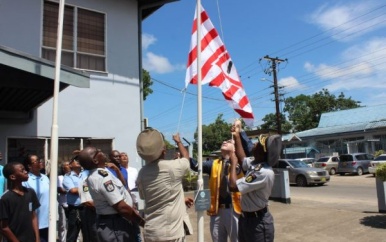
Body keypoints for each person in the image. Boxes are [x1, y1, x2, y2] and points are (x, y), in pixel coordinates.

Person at [136, 128, 193, 242]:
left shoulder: (141, 173)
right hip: (171, 232)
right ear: (164, 150)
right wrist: (178, 141)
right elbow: (186, 158)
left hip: (151, 231)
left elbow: (145, 197)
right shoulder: (172, 167)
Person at [77, 147, 145, 242]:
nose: (101, 151)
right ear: (95, 160)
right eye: (98, 152)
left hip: (116, 222)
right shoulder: (102, 178)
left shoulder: (101, 173)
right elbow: (120, 207)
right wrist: (142, 222)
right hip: (116, 225)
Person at [228, 122, 282, 242]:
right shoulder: (256, 164)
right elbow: (242, 160)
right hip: (246, 218)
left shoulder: (263, 172)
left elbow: (233, 186)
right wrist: (237, 136)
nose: (255, 143)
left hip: (257, 222)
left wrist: (232, 164)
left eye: (258, 144)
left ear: (262, 153)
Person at [190, 139, 243, 242]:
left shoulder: (242, 162)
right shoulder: (213, 164)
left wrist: (237, 134)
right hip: (217, 211)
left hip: (235, 210)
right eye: (223, 141)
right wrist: (182, 150)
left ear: (235, 148)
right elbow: (196, 166)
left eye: (229, 141)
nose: (224, 141)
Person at [0, 162, 40, 241]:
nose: (26, 172)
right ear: (12, 177)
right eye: (22, 171)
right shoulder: (5, 198)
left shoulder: (30, 192)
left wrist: (37, 238)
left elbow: (33, 216)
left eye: (25, 169)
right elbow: (4, 227)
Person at [62, 156, 91, 242]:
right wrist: (86, 188)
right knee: (73, 234)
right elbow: (73, 190)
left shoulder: (86, 173)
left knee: (88, 233)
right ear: (70, 165)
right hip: (75, 210)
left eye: (79, 160)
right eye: (75, 160)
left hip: (87, 207)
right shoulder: (67, 177)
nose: (78, 161)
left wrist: (85, 188)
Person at [22, 154, 50, 242]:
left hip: (49, 219)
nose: (40, 162)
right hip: (35, 221)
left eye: (39, 159)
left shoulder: (45, 178)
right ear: (29, 166)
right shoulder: (26, 180)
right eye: (36, 161)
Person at [58, 161, 71, 242]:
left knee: (73, 224)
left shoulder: (74, 176)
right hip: (63, 204)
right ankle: (62, 240)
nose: (68, 166)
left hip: (72, 204)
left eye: (69, 164)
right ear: (63, 168)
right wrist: (72, 189)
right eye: (66, 165)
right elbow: (61, 190)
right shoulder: (60, 178)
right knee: (63, 224)